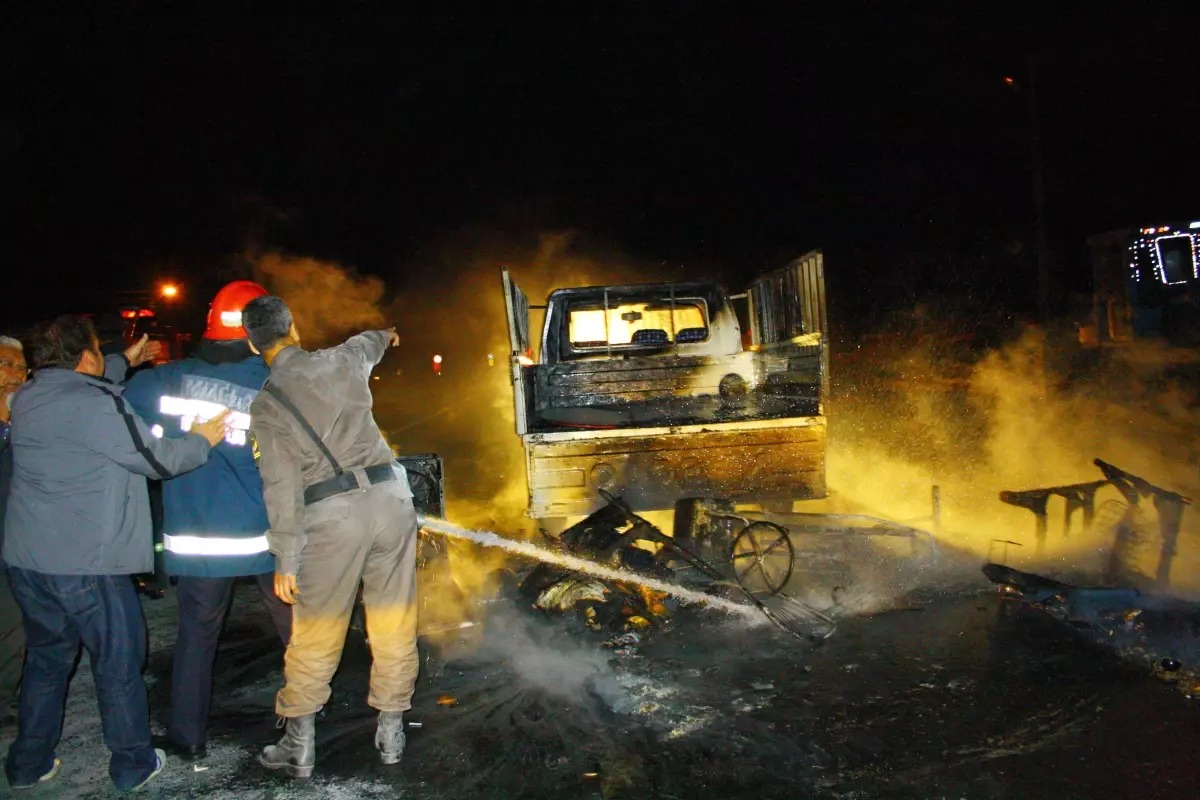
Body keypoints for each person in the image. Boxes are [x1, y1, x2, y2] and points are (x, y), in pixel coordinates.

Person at [2, 316, 230, 792]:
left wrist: (125, 359)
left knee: (46, 662)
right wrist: (202, 439)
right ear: (86, 357)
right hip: (89, 565)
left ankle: (27, 765)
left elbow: (81, 376)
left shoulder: (24, 397)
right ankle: (132, 764)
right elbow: (157, 460)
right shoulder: (99, 403)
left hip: (29, 561)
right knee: (119, 663)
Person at [242, 296, 419, 778]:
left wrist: (285, 559)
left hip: (332, 518)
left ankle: (299, 747)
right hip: (391, 503)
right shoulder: (340, 359)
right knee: (393, 618)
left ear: (251, 342)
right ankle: (391, 733)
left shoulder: (267, 404)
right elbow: (371, 343)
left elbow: (280, 487)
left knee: (317, 631)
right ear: (293, 328)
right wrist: (389, 334)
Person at [122, 281, 292, 763]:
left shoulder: (162, 381)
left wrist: (126, 360)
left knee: (196, 638)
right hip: (266, 536)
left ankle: (188, 737)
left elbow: (117, 409)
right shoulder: (273, 382)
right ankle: (303, 720)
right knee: (296, 631)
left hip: (199, 539)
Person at [0, 335, 28, 700]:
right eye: (7, 364)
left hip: (16, 546)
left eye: (22, 368)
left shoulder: (28, 423)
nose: (16, 375)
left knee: (15, 628)